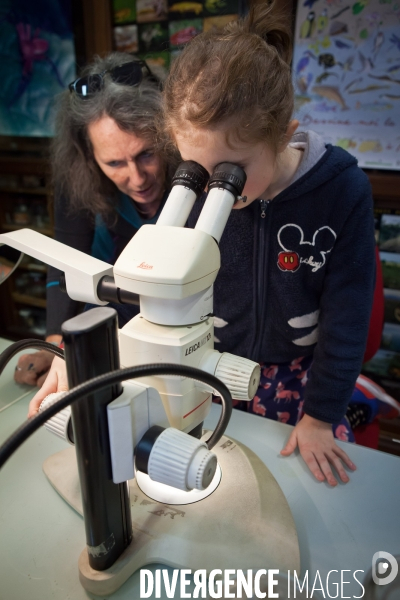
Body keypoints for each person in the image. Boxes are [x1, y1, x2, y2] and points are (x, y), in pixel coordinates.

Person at [29, 3, 376, 487]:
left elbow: (349, 315)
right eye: (195, 169)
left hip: (303, 383)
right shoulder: (186, 183)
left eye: (230, 173)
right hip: (208, 368)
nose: (212, 188)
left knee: (303, 493)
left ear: (284, 136)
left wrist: (320, 416)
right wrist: (73, 353)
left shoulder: (342, 192)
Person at [15, 52, 176, 388]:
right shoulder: (77, 175)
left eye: (146, 153)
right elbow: (65, 260)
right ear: (89, 157)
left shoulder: (194, 164)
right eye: (114, 163)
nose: (137, 178)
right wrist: (54, 341)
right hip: (113, 312)